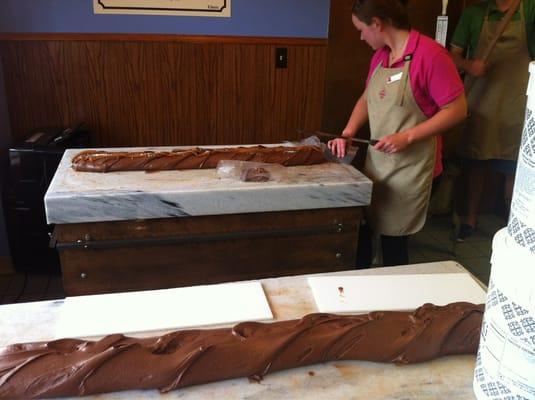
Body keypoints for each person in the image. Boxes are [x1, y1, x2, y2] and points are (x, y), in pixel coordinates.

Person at [328, 0, 467, 267]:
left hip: (413, 169)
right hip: (379, 164)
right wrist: (347, 132)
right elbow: (367, 98)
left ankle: (394, 303)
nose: (361, 36)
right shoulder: (381, 56)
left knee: (394, 242)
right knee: (363, 232)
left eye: (362, 29)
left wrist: (408, 136)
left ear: (377, 24)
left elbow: (457, 109)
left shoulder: (431, 55)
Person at [450, 0, 535, 241]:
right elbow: (451, 55)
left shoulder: (529, 9)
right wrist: (469, 65)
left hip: (516, 104)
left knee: (514, 169)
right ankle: (470, 220)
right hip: (481, 102)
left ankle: (513, 226)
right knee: (476, 164)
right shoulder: (474, 14)